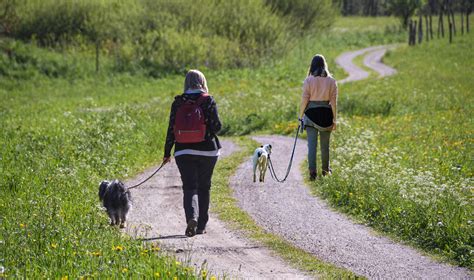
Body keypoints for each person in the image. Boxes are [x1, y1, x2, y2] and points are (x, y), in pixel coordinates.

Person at [163, 69, 222, 237]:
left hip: (183, 151)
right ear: (202, 82)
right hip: (208, 151)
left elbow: (171, 130)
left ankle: (191, 217)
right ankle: (201, 225)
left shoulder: (178, 102)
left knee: (189, 187)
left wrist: (167, 152)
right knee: (204, 187)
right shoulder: (208, 100)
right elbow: (217, 126)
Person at [299, 54, 338, 181]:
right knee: (325, 146)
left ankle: (312, 172)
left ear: (312, 66)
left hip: (311, 115)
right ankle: (326, 171)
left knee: (312, 146)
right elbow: (333, 102)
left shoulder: (308, 80)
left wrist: (300, 116)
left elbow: (304, 100)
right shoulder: (332, 81)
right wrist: (334, 120)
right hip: (326, 114)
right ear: (324, 64)